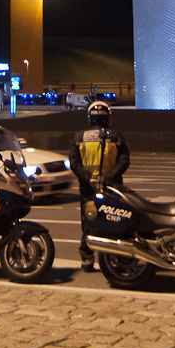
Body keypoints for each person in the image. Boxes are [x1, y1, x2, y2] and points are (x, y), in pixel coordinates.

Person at [69, 100, 130, 272]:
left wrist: (89, 178)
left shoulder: (79, 137)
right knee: (115, 220)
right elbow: (124, 160)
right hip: (112, 186)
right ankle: (115, 258)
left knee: (89, 222)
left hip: (88, 187)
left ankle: (87, 259)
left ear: (90, 117)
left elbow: (74, 162)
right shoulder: (116, 136)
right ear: (107, 117)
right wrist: (108, 178)